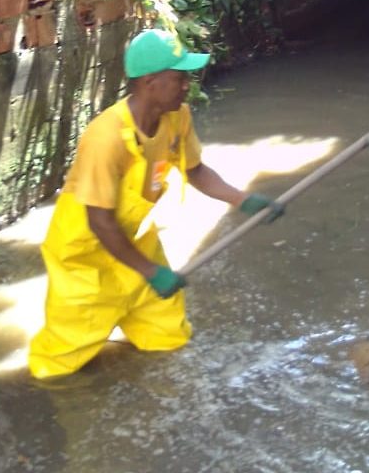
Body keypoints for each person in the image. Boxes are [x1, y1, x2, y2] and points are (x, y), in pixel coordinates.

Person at [28, 28, 282, 379]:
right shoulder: (106, 138)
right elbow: (100, 222)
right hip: (85, 256)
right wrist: (151, 272)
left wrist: (243, 199)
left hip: (136, 240)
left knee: (169, 336)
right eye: (179, 78)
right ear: (150, 83)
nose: (186, 86)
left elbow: (195, 170)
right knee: (59, 365)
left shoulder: (177, 117)